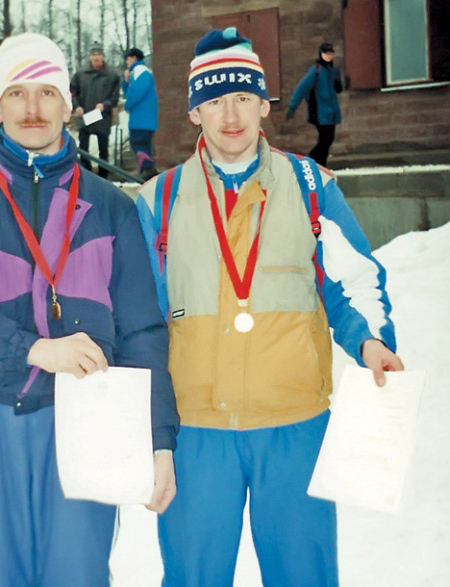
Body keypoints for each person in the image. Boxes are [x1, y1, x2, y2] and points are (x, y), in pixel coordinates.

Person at [0, 32, 178, 587]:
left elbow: (143, 329)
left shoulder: (111, 208)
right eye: (18, 93)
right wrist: (30, 349)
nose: (32, 109)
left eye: (47, 92)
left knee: (78, 574)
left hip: (89, 420)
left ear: (69, 105)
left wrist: (159, 437)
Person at [135, 27, 404, 586]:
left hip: (295, 426)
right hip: (196, 431)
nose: (229, 115)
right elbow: (139, 321)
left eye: (241, 98)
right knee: (193, 577)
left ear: (263, 104)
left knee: (303, 575)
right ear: (193, 114)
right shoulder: (158, 200)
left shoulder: (310, 185)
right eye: (213, 101)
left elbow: (353, 281)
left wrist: (372, 340)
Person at [286, 42, 343, 166]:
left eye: (330, 53)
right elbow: (302, 88)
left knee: (328, 140)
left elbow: (337, 89)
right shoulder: (316, 71)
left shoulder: (333, 70)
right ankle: (311, 163)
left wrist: (338, 83)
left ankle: (320, 165)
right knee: (325, 140)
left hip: (331, 113)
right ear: (321, 54)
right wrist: (292, 106)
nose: (328, 56)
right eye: (326, 53)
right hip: (320, 113)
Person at [70, 42, 120, 178]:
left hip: (102, 117)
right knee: (83, 147)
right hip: (85, 117)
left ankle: (104, 176)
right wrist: (77, 106)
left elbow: (115, 97)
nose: (96, 57)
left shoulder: (112, 75)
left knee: (103, 148)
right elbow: (73, 92)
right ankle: (85, 174)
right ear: (90, 57)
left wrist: (105, 105)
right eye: (93, 54)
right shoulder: (80, 74)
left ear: (103, 56)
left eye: (98, 54)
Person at [122, 47, 158, 180]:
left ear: (133, 58)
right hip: (144, 119)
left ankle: (147, 170)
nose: (127, 62)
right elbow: (129, 92)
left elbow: (136, 92)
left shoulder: (140, 71)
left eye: (127, 59)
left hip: (141, 119)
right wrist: (125, 82)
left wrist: (127, 105)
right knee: (143, 146)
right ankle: (146, 171)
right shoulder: (138, 73)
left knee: (138, 143)